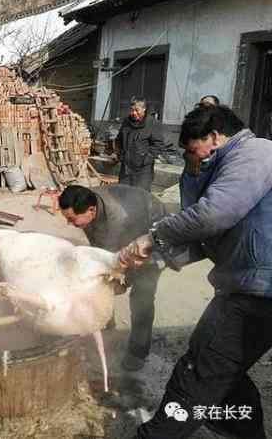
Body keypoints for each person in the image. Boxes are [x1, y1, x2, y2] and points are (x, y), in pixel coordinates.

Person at [121, 105, 272, 439]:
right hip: (248, 286)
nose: (191, 158)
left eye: (192, 150)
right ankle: (242, 430)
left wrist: (154, 235)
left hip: (256, 290)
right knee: (226, 370)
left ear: (215, 137)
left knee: (197, 371)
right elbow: (208, 238)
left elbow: (212, 215)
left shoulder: (256, 153)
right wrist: (158, 259)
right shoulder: (224, 164)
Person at [59, 184, 166, 371]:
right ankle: (108, 335)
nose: (70, 224)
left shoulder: (118, 219)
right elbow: (99, 247)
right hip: (125, 230)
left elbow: (117, 259)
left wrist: (121, 278)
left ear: (91, 211)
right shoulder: (88, 203)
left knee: (142, 296)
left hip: (153, 230)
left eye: (72, 219)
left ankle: (137, 352)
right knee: (103, 284)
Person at [114, 96, 166, 192]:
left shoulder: (152, 123)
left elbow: (158, 145)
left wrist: (145, 159)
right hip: (126, 168)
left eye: (137, 110)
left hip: (143, 171)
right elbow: (119, 139)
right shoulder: (126, 122)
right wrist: (120, 154)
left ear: (144, 109)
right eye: (131, 110)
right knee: (123, 195)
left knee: (140, 198)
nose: (133, 113)